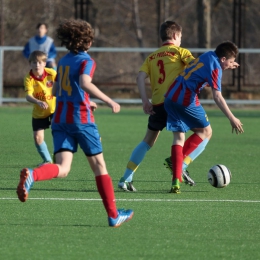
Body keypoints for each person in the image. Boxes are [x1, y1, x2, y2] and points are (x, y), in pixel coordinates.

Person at [17, 19, 134, 227]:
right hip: (81, 120)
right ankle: (114, 215)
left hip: (60, 119)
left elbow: (56, 90)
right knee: (100, 167)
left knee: (63, 168)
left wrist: (86, 100)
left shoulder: (62, 62)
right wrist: (108, 100)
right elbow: (84, 83)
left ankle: (34, 175)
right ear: (87, 42)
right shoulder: (86, 61)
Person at [118, 21, 196, 192]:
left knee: (148, 141)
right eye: (180, 37)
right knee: (179, 138)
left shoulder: (151, 57)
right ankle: (176, 179)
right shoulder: (181, 52)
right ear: (175, 36)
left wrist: (145, 101)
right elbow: (195, 68)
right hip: (174, 103)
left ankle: (125, 178)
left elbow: (139, 78)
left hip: (157, 104)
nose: (181, 40)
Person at [164, 41, 244, 193]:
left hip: (170, 95)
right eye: (231, 61)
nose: (232, 64)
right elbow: (217, 97)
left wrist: (228, 65)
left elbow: (199, 76)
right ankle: (181, 165)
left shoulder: (208, 55)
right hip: (186, 99)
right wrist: (232, 118)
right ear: (222, 59)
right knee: (206, 131)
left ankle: (176, 181)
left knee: (178, 138)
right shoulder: (216, 68)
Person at [24, 50, 56, 166]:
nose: (36, 65)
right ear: (30, 64)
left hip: (54, 109)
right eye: (34, 62)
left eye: (39, 62)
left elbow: (64, 85)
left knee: (57, 132)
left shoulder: (52, 73)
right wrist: (38, 101)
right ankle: (47, 160)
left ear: (44, 63)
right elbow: (28, 96)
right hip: (39, 113)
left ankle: (58, 155)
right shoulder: (28, 78)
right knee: (38, 138)